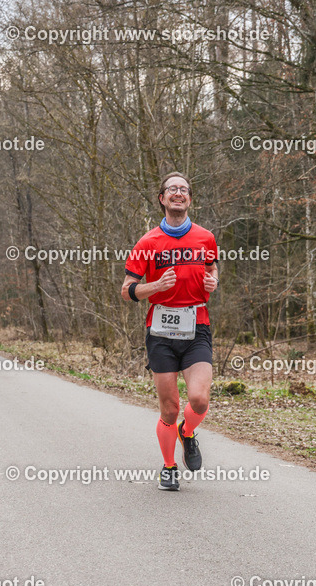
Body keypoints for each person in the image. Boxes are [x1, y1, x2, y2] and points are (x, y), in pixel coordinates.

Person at [121, 172, 218, 491]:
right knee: (170, 408)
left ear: (189, 199)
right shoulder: (147, 243)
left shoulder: (205, 237)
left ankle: (187, 433)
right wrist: (155, 286)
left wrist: (213, 281)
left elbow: (211, 267)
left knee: (199, 400)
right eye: (172, 189)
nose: (179, 193)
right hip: (160, 331)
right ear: (161, 198)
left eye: (184, 189)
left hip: (197, 325)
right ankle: (168, 466)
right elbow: (127, 290)